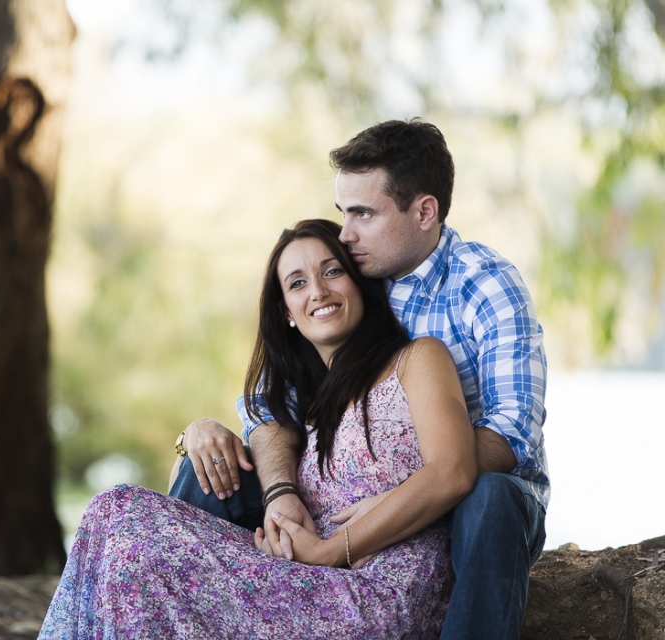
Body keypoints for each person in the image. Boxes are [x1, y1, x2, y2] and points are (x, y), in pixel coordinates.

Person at [170, 119, 549, 639]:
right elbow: (274, 403)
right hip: (344, 501)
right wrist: (274, 484)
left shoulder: (484, 285)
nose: (346, 234)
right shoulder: (355, 279)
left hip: (470, 499)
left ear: (424, 211)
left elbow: (512, 435)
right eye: (342, 213)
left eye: (363, 214)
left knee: (492, 497)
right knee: (210, 473)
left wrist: (405, 492)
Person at [40, 219, 476, 638]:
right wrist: (196, 431)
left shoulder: (418, 359)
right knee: (113, 519)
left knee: (119, 508)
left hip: (377, 595)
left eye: (332, 271)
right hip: (305, 576)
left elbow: (452, 472)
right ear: (286, 312)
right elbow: (205, 470)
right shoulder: (304, 407)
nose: (319, 291)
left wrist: (331, 549)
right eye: (298, 283)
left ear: (360, 282)